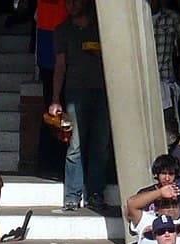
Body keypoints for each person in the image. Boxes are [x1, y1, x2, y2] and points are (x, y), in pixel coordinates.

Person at [50, 0, 111, 212]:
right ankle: (72, 195)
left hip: (105, 91)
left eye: (76, 0)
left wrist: (101, 54)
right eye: (68, 1)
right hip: (75, 91)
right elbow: (60, 66)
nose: (72, 5)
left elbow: (118, 58)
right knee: (74, 144)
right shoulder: (62, 30)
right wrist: (55, 98)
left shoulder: (103, 26)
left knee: (100, 145)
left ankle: (95, 193)